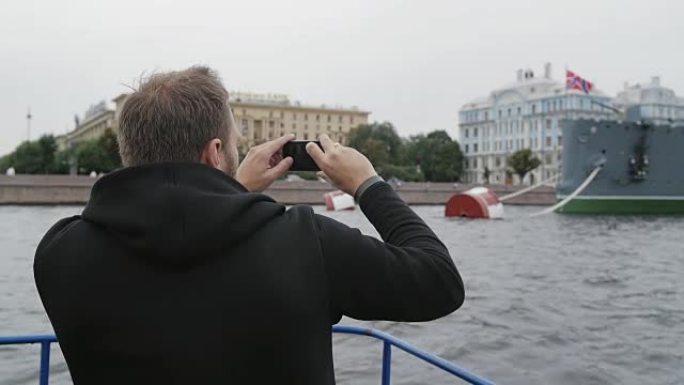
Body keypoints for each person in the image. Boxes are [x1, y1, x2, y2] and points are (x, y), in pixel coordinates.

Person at [34, 66, 465, 385]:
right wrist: (367, 184)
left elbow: (181, 225)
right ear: (214, 151)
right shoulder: (304, 243)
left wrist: (233, 188)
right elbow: (438, 282)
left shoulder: (59, 254)